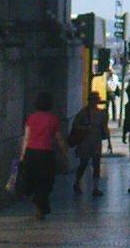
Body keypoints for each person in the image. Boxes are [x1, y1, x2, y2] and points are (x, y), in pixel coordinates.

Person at [17, 92, 66, 220]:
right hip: (47, 154)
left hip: (32, 152)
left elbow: (26, 138)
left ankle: (38, 204)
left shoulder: (31, 118)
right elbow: (58, 137)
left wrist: (22, 155)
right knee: (46, 181)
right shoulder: (53, 119)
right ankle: (41, 206)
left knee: (33, 178)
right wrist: (64, 152)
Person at [69, 98, 106, 196]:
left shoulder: (101, 113)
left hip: (96, 140)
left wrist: (108, 141)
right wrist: (85, 128)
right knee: (84, 163)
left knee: (96, 164)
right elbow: (75, 125)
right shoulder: (83, 112)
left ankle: (95, 187)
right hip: (86, 141)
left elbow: (104, 127)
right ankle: (78, 182)